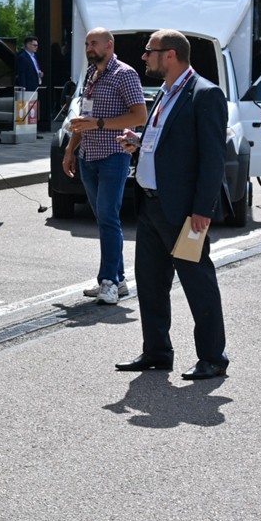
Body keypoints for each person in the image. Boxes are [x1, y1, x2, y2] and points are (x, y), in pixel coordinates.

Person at [115, 29, 230, 381]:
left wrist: (202, 210)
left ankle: (213, 358)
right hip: (150, 205)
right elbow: (166, 141)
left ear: (170, 55)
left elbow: (213, 159)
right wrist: (140, 141)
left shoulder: (205, 94)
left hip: (184, 212)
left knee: (198, 283)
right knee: (149, 283)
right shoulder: (165, 91)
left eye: (149, 52)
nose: (144, 57)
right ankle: (157, 352)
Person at [63, 27, 148, 305]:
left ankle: (108, 281)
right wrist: (70, 149)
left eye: (94, 43)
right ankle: (119, 278)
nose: (89, 48)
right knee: (103, 218)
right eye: (87, 43)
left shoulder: (125, 74)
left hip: (113, 155)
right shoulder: (90, 74)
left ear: (109, 45)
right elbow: (84, 116)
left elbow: (139, 116)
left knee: (109, 217)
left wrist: (100, 124)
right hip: (88, 154)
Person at [17, 36, 43, 138]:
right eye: (34, 45)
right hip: (28, 86)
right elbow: (22, 72)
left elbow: (34, 68)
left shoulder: (33, 56)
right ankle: (26, 130)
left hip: (35, 84)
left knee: (33, 108)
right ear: (28, 45)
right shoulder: (22, 57)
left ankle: (33, 130)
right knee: (26, 108)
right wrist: (23, 86)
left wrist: (39, 73)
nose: (36, 47)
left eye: (37, 45)